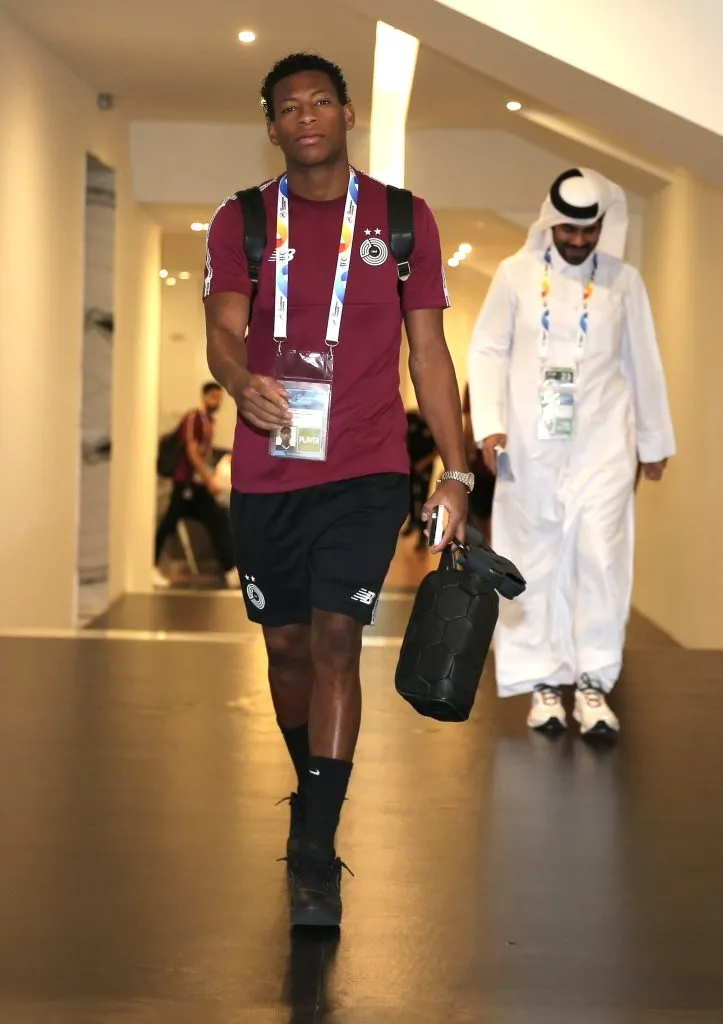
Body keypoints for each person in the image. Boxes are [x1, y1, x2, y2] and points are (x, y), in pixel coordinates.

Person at [203, 52, 471, 928]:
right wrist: (240, 382)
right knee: (283, 651)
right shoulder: (241, 220)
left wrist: (456, 472)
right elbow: (222, 331)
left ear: (347, 113)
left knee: (335, 643)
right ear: (271, 125)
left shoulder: (400, 219)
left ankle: (315, 849)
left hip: (365, 468)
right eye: (289, 106)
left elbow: (426, 353)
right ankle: (309, 787)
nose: (306, 115)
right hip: (271, 470)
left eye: (321, 100)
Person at [468, 168, 675, 737]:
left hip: (605, 443)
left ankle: (592, 682)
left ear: (603, 226)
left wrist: (653, 442)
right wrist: (489, 424)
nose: (579, 242)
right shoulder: (514, 275)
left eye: (590, 231)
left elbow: (644, 361)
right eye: (569, 231)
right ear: (550, 222)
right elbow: (486, 350)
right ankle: (541, 684)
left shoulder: (624, 282)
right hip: (530, 447)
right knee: (531, 560)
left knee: (601, 557)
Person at [153, 382, 239, 589]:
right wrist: (208, 478)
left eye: (219, 398)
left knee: (217, 519)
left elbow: (205, 453)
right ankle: (149, 564)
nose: (216, 402)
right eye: (212, 397)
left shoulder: (210, 422)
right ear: (204, 397)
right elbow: (192, 452)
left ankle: (230, 569)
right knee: (169, 522)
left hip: (197, 485)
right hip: (185, 483)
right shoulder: (194, 418)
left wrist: (210, 476)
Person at [461, 384, 495, 544]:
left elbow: (469, 430)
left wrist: (463, 469)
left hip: (484, 465)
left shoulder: (475, 384)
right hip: (514, 465)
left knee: (481, 525)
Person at [402, 409, 438, 548]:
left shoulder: (434, 425)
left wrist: (423, 464)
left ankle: (423, 536)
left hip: (424, 467)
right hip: (408, 465)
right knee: (409, 495)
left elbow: (436, 450)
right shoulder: (411, 418)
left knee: (423, 500)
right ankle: (412, 523)